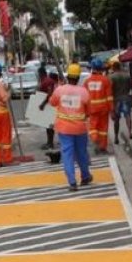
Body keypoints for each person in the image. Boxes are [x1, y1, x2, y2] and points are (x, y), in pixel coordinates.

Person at [48, 63, 93, 191]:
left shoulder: (60, 90)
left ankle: (72, 182)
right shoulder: (84, 92)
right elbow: (89, 112)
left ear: (68, 76)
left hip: (64, 128)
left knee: (67, 155)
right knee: (81, 153)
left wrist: (58, 87)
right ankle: (85, 176)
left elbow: (52, 102)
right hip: (80, 128)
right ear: (78, 77)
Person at [83, 57, 112, 153]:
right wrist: (112, 109)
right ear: (101, 69)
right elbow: (109, 97)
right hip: (104, 108)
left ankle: (96, 141)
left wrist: (84, 111)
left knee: (93, 127)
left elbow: (84, 97)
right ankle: (102, 147)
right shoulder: (105, 80)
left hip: (92, 109)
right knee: (103, 128)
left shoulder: (87, 82)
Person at [109, 57, 132, 144]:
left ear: (113, 68)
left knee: (116, 119)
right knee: (128, 116)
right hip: (126, 97)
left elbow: (110, 90)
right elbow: (131, 86)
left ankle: (116, 137)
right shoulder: (127, 75)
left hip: (116, 100)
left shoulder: (112, 77)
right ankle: (130, 132)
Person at [37, 66, 58, 150]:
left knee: (49, 126)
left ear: (41, 73)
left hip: (49, 105)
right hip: (49, 104)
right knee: (48, 125)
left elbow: (49, 93)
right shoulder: (45, 80)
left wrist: (43, 103)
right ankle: (49, 142)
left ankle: (50, 143)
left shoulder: (47, 81)